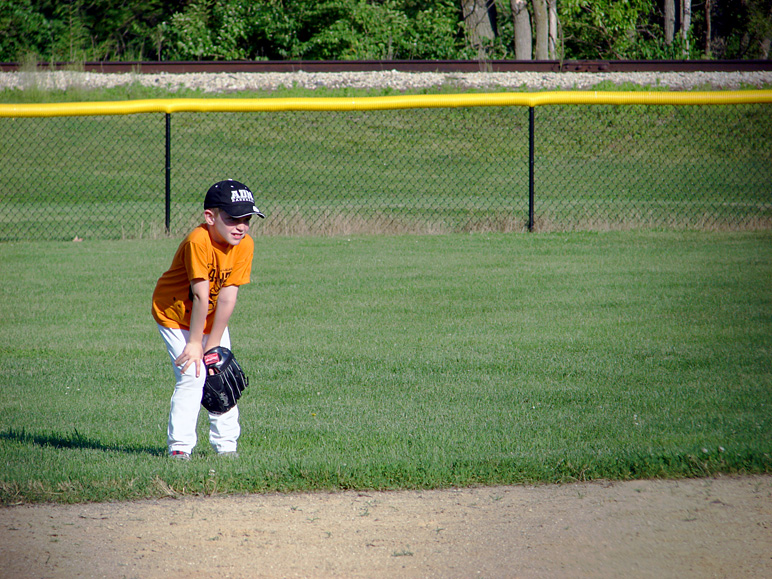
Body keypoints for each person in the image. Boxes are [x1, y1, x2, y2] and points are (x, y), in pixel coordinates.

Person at [152, 179, 264, 459]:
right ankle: (180, 448)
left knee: (219, 373)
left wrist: (212, 346)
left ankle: (227, 448)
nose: (241, 226)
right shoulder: (197, 241)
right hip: (175, 314)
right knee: (192, 375)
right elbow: (200, 296)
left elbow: (227, 298)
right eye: (232, 218)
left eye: (246, 218)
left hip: (211, 313)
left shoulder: (245, 245)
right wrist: (194, 344)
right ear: (210, 217)